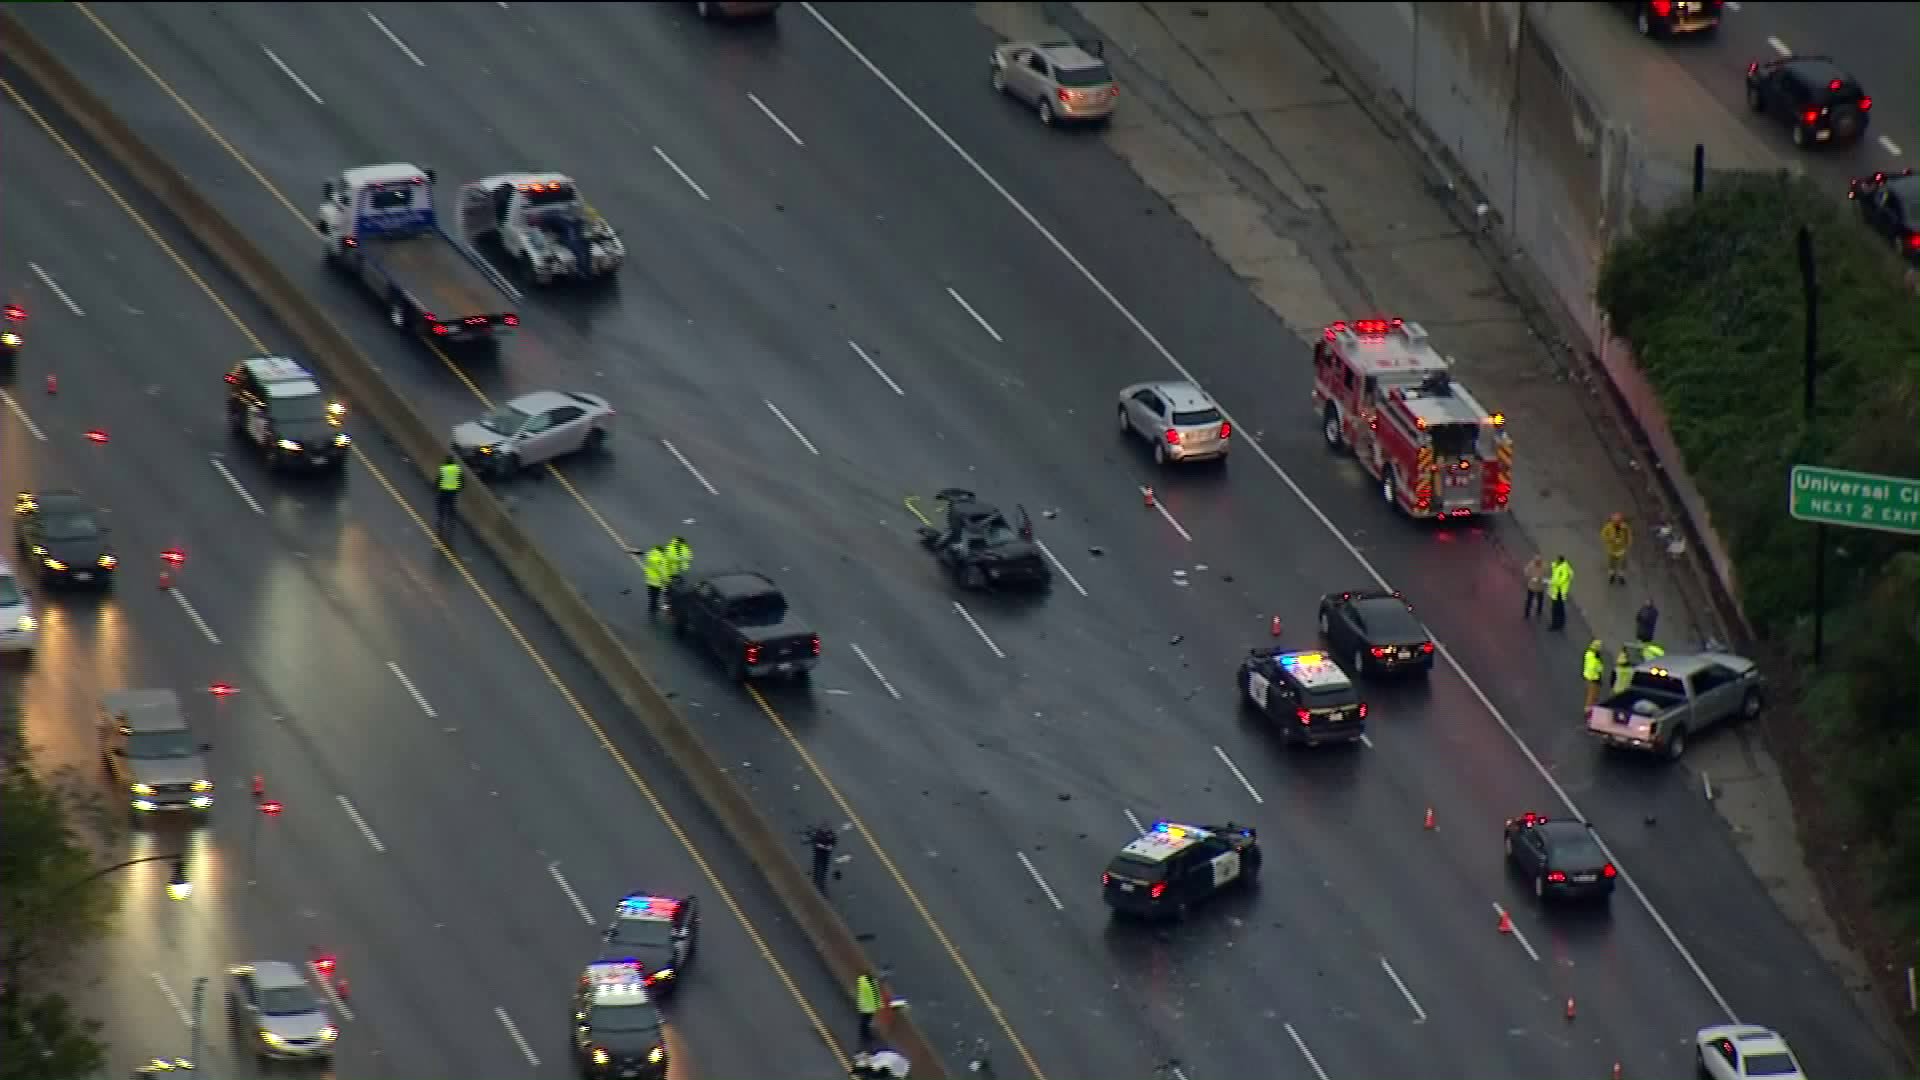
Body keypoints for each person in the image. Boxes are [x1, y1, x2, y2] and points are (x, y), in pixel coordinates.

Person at [1601, 513, 1632, 585]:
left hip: (1621, 549)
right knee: (1611, 563)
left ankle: (1621, 576)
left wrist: (1628, 543)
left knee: (1622, 563)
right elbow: (1603, 535)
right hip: (1612, 549)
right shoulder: (1608, 527)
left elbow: (1628, 535)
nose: (1616, 523)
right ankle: (1612, 575)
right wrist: (1610, 540)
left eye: (1618, 521)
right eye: (1615, 521)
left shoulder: (1625, 527)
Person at [435, 455, 462, 537]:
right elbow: (461, 480)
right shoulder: (457, 469)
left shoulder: (444, 468)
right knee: (451, 507)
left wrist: (436, 487)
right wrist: (458, 488)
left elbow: (439, 478)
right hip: (453, 492)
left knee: (440, 505)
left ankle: (441, 520)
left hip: (444, 490)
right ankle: (451, 521)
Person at [807, 824, 838, 894]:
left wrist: (830, 846)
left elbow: (833, 842)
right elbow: (815, 842)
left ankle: (821, 883)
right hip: (819, 853)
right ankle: (815, 881)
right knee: (817, 867)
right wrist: (821, 846)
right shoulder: (818, 834)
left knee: (824, 868)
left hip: (825, 854)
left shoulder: (831, 835)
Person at [642, 545, 671, 616]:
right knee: (656, 595)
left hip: (650, 580)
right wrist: (667, 580)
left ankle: (652, 607)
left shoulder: (650, 556)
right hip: (657, 581)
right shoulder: (661, 559)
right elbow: (663, 571)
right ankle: (655, 608)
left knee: (652, 596)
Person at [1547, 555, 1573, 630]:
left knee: (1556, 609)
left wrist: (1551, 582)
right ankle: (1560, 624)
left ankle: (1556, 625)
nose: (1556, 561)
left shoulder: (1565, 569)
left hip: (1560, 592)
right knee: (1559, 609)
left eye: (1558, 560)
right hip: (1557, 591)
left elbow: (1561, 580)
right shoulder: (1560, 565)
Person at [855, 971, 881, 1045]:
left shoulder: (863, 981)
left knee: (865, 1021)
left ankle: (864, 1033)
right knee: (866, 1021)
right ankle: (865, 1035)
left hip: (865, 1006)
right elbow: (875, 995)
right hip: (868, 1007)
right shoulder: (870, 985)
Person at [1582, 639, 1605, 714]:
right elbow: (1593, 667)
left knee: (1593, 696)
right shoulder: (1593, 655)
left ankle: (1590, 710)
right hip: (1593, 679)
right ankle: (1588, 711)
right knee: (1592, 696)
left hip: (1593, 678)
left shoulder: (1591, 653)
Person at [1522, 554, 1547, 619]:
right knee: (1529, 601)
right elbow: (1526, 572)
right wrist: (1533, 578)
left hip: (1540, 587)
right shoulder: (1531, 565)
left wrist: (1543, 580)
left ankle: (1539, 612)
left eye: (1539, 562)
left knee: (1540, 600)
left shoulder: (1544, 566)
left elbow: (1545, 576)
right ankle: (1526, 614)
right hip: (1532, 586)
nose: (1538, 563)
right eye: (1537, 562)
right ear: (1534, 561)